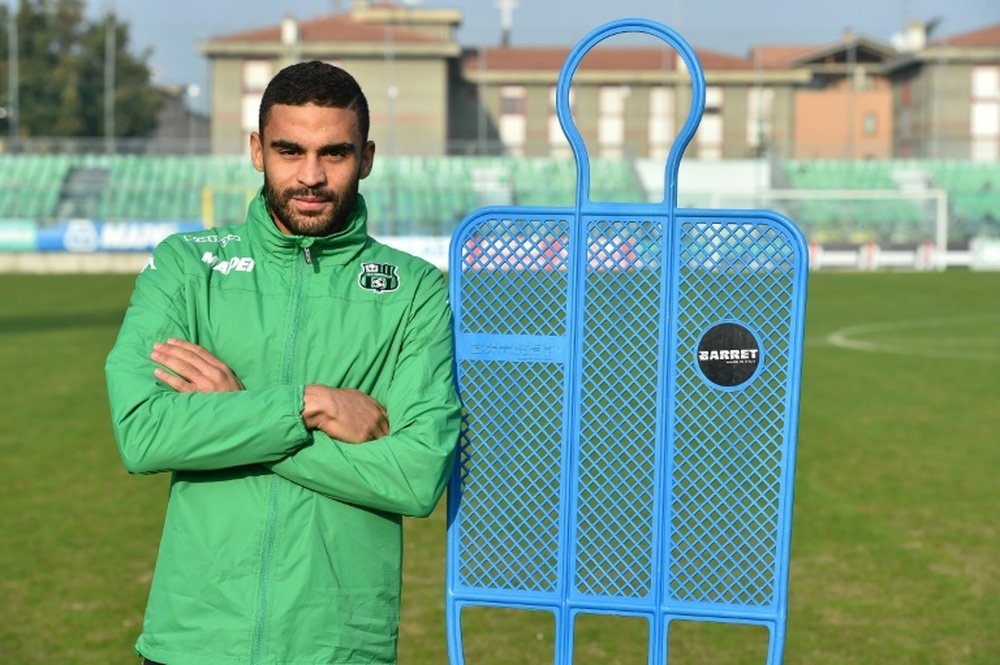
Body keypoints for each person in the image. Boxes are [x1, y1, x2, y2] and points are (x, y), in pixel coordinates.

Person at [105, 60, 461, 665]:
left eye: (336, 154)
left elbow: (414, 474)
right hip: (194, 638)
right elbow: (144, 433)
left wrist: (231, 412)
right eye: (289, 150)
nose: (311, 176)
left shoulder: (417, 291)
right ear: (256, 150)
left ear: (367, 158)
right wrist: (305, 406)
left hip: (338, 645)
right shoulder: (188, 268)